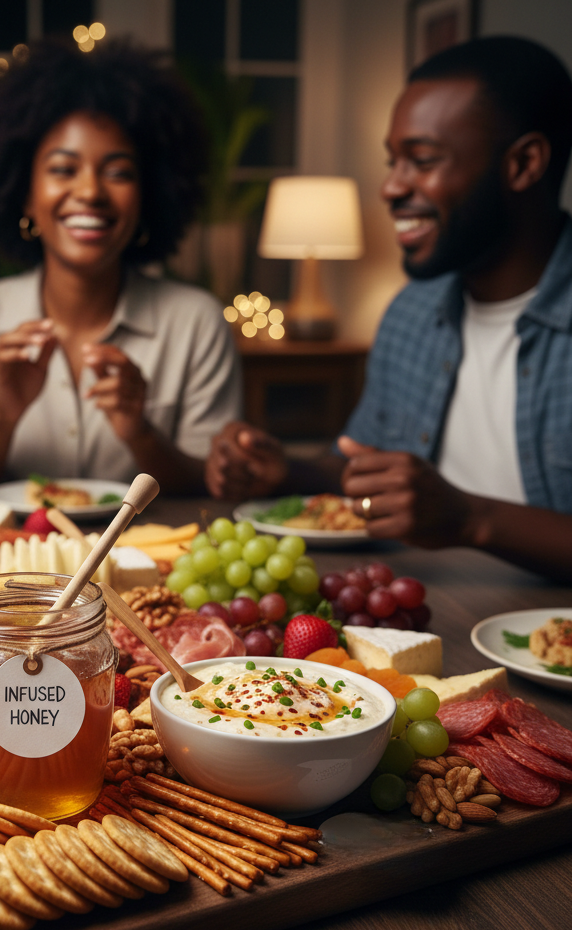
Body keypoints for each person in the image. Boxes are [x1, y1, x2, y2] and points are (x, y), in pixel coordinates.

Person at [206, 36, 572, 582]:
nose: (390, 187)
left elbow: (453, 513)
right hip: (416, 611)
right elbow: (372, 468)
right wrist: (286, 471)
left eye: (421, 161)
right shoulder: (412, 310)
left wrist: (472, 518)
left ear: (523, 164)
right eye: (393, 161)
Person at [0, 40, 241, 498]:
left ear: (148, 198)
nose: (91, 191)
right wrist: (3, 417)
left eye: (118, 172)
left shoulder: (196, 322)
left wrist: (140, 432)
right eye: (63, 169)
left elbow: (210, 491)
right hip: (14, 565)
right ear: (25, 196)